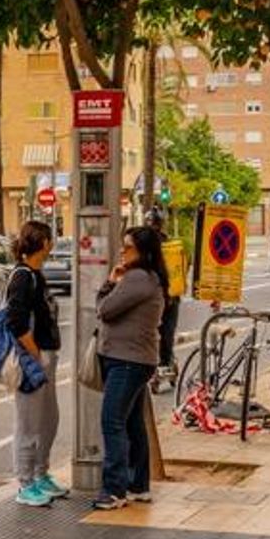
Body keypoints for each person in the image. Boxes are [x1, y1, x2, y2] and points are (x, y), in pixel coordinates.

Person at [92, 226, 169, 510]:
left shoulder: (137, 278)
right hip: (135, 359)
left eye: (128, 247)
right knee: (133, 423)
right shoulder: (150, 278)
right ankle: (139, 485)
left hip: (127, 361)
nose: (122, 252)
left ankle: (114, 490)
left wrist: (109, 284)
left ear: (144, 252)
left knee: (112, 421)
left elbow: (104, 310)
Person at [6, 220, 66, 508]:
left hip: (44, 356)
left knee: (48, 420)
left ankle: (41, 474)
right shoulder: (22, 277)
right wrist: (36, 354)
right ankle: (25, 483)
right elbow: (16, 322)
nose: (52, 245)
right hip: (31, 360)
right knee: (28, 424)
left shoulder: (35, 274)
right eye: (50, 240)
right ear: (44, 243)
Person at [144, 209, 185, 373]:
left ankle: (162, 361)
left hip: (160, 298)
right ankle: (165, 361)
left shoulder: (144, 248)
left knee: (156, 333)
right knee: (166, 333)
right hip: (169, 297)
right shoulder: (170, 245)